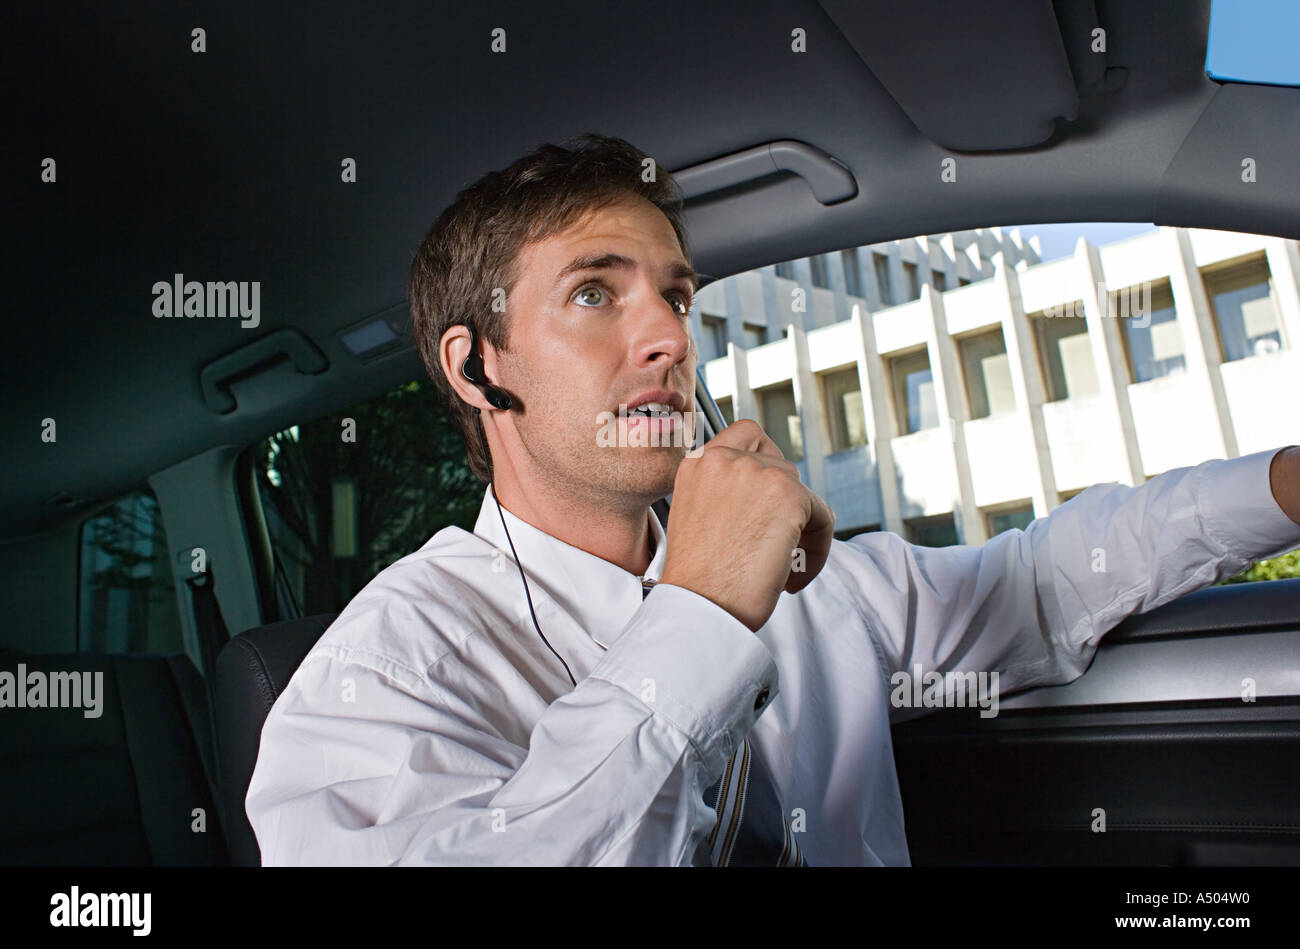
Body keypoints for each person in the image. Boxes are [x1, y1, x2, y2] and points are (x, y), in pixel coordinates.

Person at [244, 133, 1300, 865]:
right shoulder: (387, 666)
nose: (666, 336)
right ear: (477, 369)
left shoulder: (812, 580)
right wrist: (698, 617)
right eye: (594, 293)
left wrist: (1282, 486)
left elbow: (1037, 583)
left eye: (678, 293)